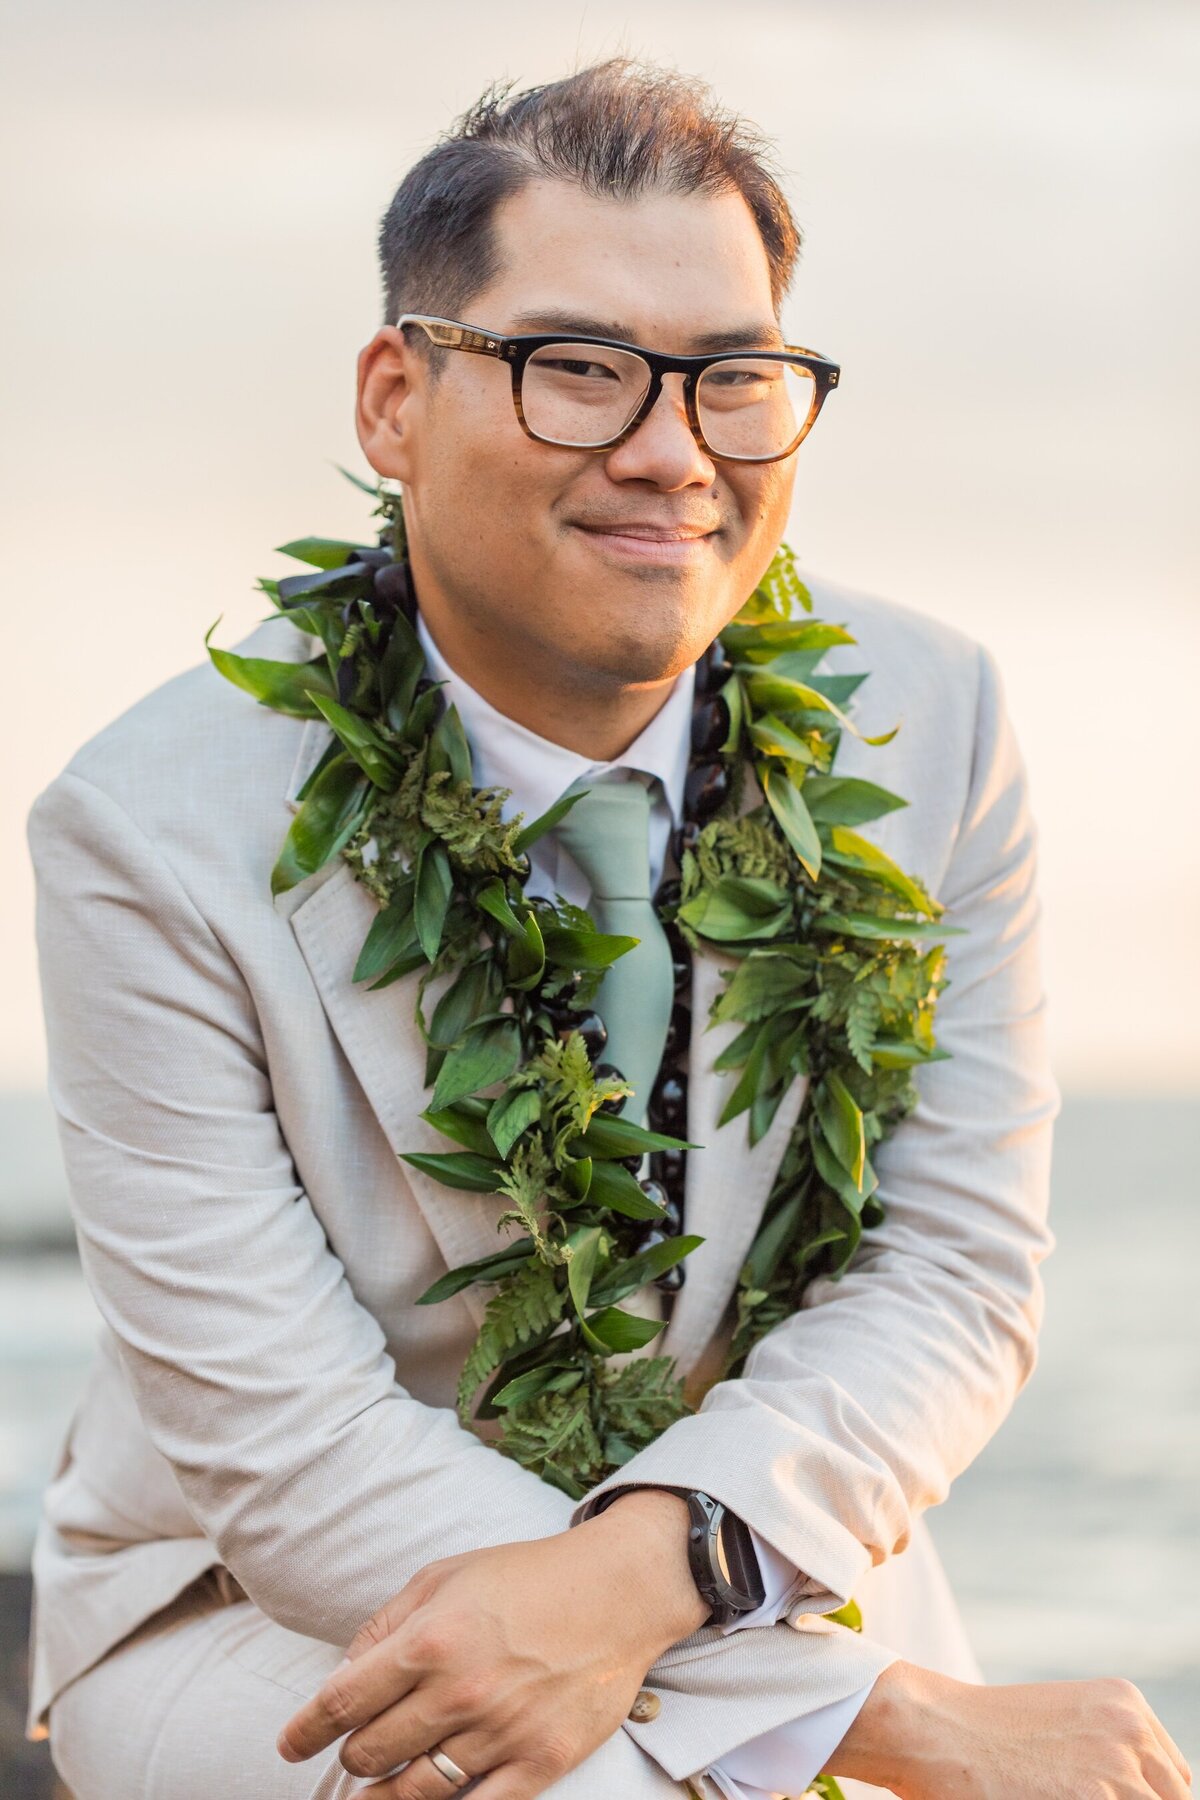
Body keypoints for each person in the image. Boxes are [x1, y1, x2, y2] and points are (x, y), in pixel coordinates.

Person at [24, 55, 1191, 1800]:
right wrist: (875, 1721)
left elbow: (950, 1272)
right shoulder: (144, 828)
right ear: (394, 400)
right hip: (277, 1621)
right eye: (577, 370)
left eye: (733, 378)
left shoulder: (931, 718)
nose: (670, 453)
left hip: (759, 1563)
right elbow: (284, 1453)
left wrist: (668, 1580)